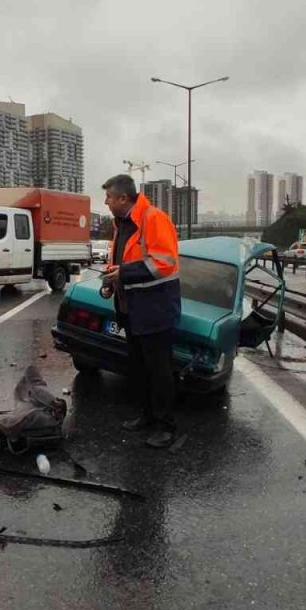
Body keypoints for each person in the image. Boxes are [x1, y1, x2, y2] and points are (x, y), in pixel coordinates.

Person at [102, 173, 181, 449]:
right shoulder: (122, 224)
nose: (106, 202)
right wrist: (111, 277)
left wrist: (123, 273)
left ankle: (165, 426)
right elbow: (122, 260)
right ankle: (146, 416)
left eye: (109, 197)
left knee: (159, 370)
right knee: (139, 368)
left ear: (123, 198)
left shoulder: (153, 218)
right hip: (131, 309)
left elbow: (164, 262)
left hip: (155, 310)